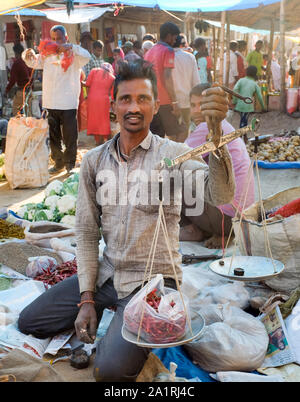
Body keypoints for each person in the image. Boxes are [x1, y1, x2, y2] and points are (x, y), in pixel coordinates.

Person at [18, 60, 235, 382]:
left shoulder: (172, 155)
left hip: (154, 281)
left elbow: (220, 192)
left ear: (155, 106)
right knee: (30, 321)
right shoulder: (94, 161)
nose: (134, 107)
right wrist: (87, 300)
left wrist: (217, 136)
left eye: (143, 99)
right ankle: (116, 321)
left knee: (109, 372)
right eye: (126, 99)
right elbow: (88, 233)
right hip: (108, 273)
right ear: (113, 105)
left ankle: (128, 331)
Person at [180, 83, 255, 249]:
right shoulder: (226, 126)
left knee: (171, 178)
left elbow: (176, 157)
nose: (197, 110)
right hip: (241, 219)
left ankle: (194, 230)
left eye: (202, 104)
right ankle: (211, 229)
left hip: (227, 219)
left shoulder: (206, 127)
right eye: (193, 105)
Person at [22, 25, 91, 174]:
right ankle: (58, 163)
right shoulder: (47, 54)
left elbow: (87, 56)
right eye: (53, 39)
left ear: (66, 38)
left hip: (68, 103)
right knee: (54, 137)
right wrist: (27, 55)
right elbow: (33, 62)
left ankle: (70, 165)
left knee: (70, 137)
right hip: (51, 102)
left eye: (59, 38)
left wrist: (71, 46)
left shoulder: (75, 55)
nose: (56, 42)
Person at [144, 21, 184, 141]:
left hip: (151, 100)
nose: (174, 40)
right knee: (177, 135)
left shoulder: (149, 52)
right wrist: (175, 102)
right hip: (166, 101)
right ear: (169, 35)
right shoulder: (168, 50)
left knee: (156, 137)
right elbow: (167, 77)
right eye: (174, 37)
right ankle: (174, 159)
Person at [172, 34, 200, 141]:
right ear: (182, 44)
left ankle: (173, 153)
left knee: (172, 132)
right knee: (184, 128)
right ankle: (181, 152)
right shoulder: (190, 57)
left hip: (170, 102)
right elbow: (196, 82)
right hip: (186, 101)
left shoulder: (165, 57)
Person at [84, 63, 115, 146]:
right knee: (103, 120)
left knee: (94, 119)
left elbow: (87, 85)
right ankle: (103, 140)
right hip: (104, 101)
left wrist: (87, 96)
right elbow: (112, 94)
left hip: (92, 99)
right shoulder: (112, 77)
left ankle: (97, 141)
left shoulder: (94, 71)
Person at [233, 65, 265, 130]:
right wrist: (263, 107)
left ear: (246, 72)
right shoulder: (254, 84)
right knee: (244, 121)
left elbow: (235, 90)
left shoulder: (241, 80)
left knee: (243, 119)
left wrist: (235, 101)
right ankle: (242, 135)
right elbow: (260, 97)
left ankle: (242, 135)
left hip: (239, 104)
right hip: (248, 105)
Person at [5, 43, 33, 116]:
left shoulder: (17, 63)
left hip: (21, 91)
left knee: (16, 111)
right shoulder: (27, 61)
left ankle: (17, 126)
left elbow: (12, 80)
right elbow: (32, 76)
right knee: (28, 113)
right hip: (29, 91)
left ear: (16, 52)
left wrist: (7, 90)